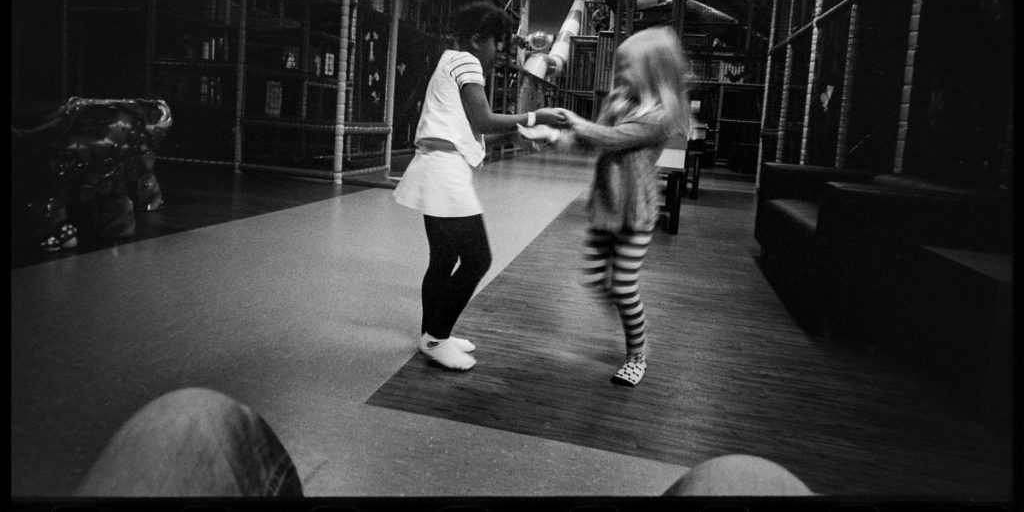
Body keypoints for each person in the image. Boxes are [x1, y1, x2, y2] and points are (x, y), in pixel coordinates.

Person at [73, 388, 813, 496]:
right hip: (446, 176)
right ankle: (436, 327)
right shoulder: (459, 66)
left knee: (192, 421)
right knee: (746, 479)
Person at [393, 1, 570, 371]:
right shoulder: (466, 61)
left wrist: (524, 133)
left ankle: (432, 334)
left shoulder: (448, 61)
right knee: (477, 259)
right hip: (444, 174)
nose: (499, 52)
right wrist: (537, 115)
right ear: (477, 39)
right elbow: (484, 119)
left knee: (443, 260)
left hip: (434, 167)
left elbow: (470, 130)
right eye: (497, 42)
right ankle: (437, 337)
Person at [520, 26, 692, 387]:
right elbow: (589, 144)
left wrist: (575, 121)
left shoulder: (660, 115)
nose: (620, 73)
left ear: (652, 70)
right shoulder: (616, 100)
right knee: (599, 280)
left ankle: (637, 355)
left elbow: (612, 139)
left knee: (624, 286)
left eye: (628, 66)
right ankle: (628, 317)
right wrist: (552, 137)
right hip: (605, 204)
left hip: (635, 210)